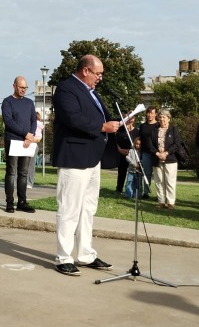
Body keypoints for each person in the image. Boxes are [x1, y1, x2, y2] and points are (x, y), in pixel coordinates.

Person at [52, 55, 121, 276]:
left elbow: (104, 119)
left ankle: (85, 254)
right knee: (69, 208)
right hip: (74, 157)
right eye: (97, 73)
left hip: (93, 158)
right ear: (85, 70)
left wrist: (119, 123)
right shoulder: (66, 89)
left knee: (88, 209)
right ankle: (64, 256)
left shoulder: (92, 93)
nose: (100, 78)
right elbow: (73, 119)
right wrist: (103, 127)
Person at [1, 76, 37, 213]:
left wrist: (30, 135)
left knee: (23, 173)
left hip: (27, 142)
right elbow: (9, 122)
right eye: (21, 87)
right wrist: (25, 134)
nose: (23, 90)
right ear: (14, 86)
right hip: (13, 140)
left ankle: (22, 202)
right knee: (11, 172)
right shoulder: (7, 102)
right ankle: (10, 202)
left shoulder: (29, 103)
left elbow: (34, 120)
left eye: (25, 88)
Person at [148, 109, 183, 209]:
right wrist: (157, 153)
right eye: (160, 117)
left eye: (164, 117)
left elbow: (177, 144)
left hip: (170, 159)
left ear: (169, 118)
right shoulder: (154, 130)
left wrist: (166, 153)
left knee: (170, 181)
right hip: (157, 158)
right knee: (159, 181)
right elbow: (150, 144)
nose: (162, 119)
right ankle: (161, 202)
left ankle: (171, 202)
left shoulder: (174, 129)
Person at [138, 106, 158, 198]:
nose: (149, 115)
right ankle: (146, 193)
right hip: (146, 153)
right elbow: (139, 140)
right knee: (147, 173)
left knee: (158, 175)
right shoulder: (142, 126)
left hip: (156, 153)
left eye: (152, 113)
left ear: (155, 114)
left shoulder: (158, 125)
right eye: (148, 113)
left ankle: (160, 195)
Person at [115, 116, 138, 193]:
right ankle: (119, 188)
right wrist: (119, 149)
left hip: (132, 154)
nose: (130, 119)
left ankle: (131, 190)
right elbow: (115, 141)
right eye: (128, 117)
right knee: (121, 172)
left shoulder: (136, 131)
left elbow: (138, 143)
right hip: (121, 153)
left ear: (134, 119)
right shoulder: (120, 130)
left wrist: (130, 151)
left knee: (132, 173)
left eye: (132, 117)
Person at [26, 111, 44, 189]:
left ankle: (22, 181)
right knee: (31, 164)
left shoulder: (29, 123)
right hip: (34, 144)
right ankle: (29, 182)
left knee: (22, 163)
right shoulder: (41, 125)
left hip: (27, 143)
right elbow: (39, 137)